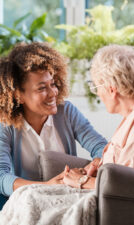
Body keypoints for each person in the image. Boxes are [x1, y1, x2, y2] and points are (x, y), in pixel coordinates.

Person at [0, 42, 107, 205]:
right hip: (23, 203)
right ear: (18, 95)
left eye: (53, 84)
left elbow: (100, 147)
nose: (53, 93)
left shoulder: (67, 112)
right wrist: (46, 187)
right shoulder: (5, 124)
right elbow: (2, 177)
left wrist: (91, 167)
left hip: (65, 199)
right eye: (41, 88)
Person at [62, 44, 134, 189]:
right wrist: (100, 168)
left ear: (111, 90)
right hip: (107, 198)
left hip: (120, 207)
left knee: (29, 197)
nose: (98, 94)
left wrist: (82, 181)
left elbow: (129, 186)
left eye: (96, 87)